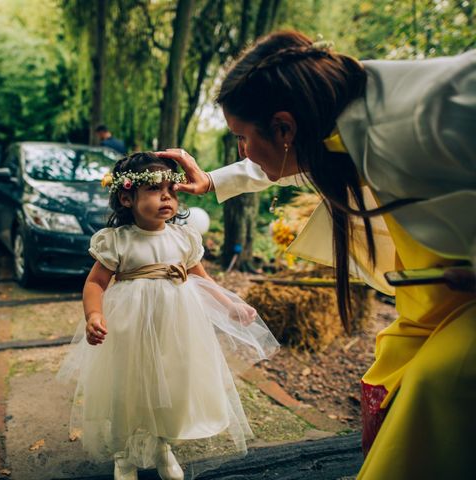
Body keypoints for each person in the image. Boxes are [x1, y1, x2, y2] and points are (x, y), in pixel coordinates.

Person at [157, 31, 476, 479]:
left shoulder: (437, 113)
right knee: (392, 364)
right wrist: (213, 180)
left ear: (285, 127)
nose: (242, 151)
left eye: (242, 138)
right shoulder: (332, 122)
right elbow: (285, 161)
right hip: (440, 306)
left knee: (434, 386)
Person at [58, 152, 279, 480]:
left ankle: (163, 444)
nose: (166, 197)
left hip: (176, 325)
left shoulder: (183, 237)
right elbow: (96, 283)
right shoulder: (118, 241)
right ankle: (124, 453)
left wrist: (229, 305)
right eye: (153, 190)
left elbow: (202, 278)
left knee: (173, 382)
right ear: (126, 197)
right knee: (128, 385)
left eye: (172, 191)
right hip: (130, 326)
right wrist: (94, 315)